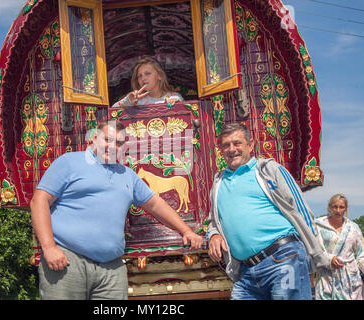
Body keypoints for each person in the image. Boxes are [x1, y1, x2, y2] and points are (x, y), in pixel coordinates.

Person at [30, 120, 203, 300]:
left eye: (119, 143)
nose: (112, 147)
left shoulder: (127, 175)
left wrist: (186, 230)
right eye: (108, 140)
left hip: (111, 269)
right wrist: (49, 247)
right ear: (94, 139)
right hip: (67, 260)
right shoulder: (69, 162)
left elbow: (155, 205)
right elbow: (39, 201)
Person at [207, 122, 331, 300]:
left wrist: (317, 254)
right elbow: (213, 221)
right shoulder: (218, 183)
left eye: (237, 143)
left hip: (284, 258)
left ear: (250, 145)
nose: (231, 149)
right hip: (246, 272)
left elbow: (301, 210)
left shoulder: (269, 170)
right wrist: (213, 235)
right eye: (226, 145)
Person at [314, 194, 364, 300]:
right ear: (329, 207)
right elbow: (315, 249)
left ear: (345, 209)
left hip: (351, 280)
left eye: (341, 207)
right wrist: (329, 259)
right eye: (335, 207)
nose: (338, 210)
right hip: (327, 277)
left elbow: (361, 254)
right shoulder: (319, 225)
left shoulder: (353, 228)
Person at [111, 56, 183, 108]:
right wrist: (128, 100)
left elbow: (188, 125)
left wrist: (177, 106)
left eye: (147, 73)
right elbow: (112, 112)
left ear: (160, 76)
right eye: (139, 76)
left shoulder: (175, 97)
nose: (143, 78)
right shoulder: (137, 101)